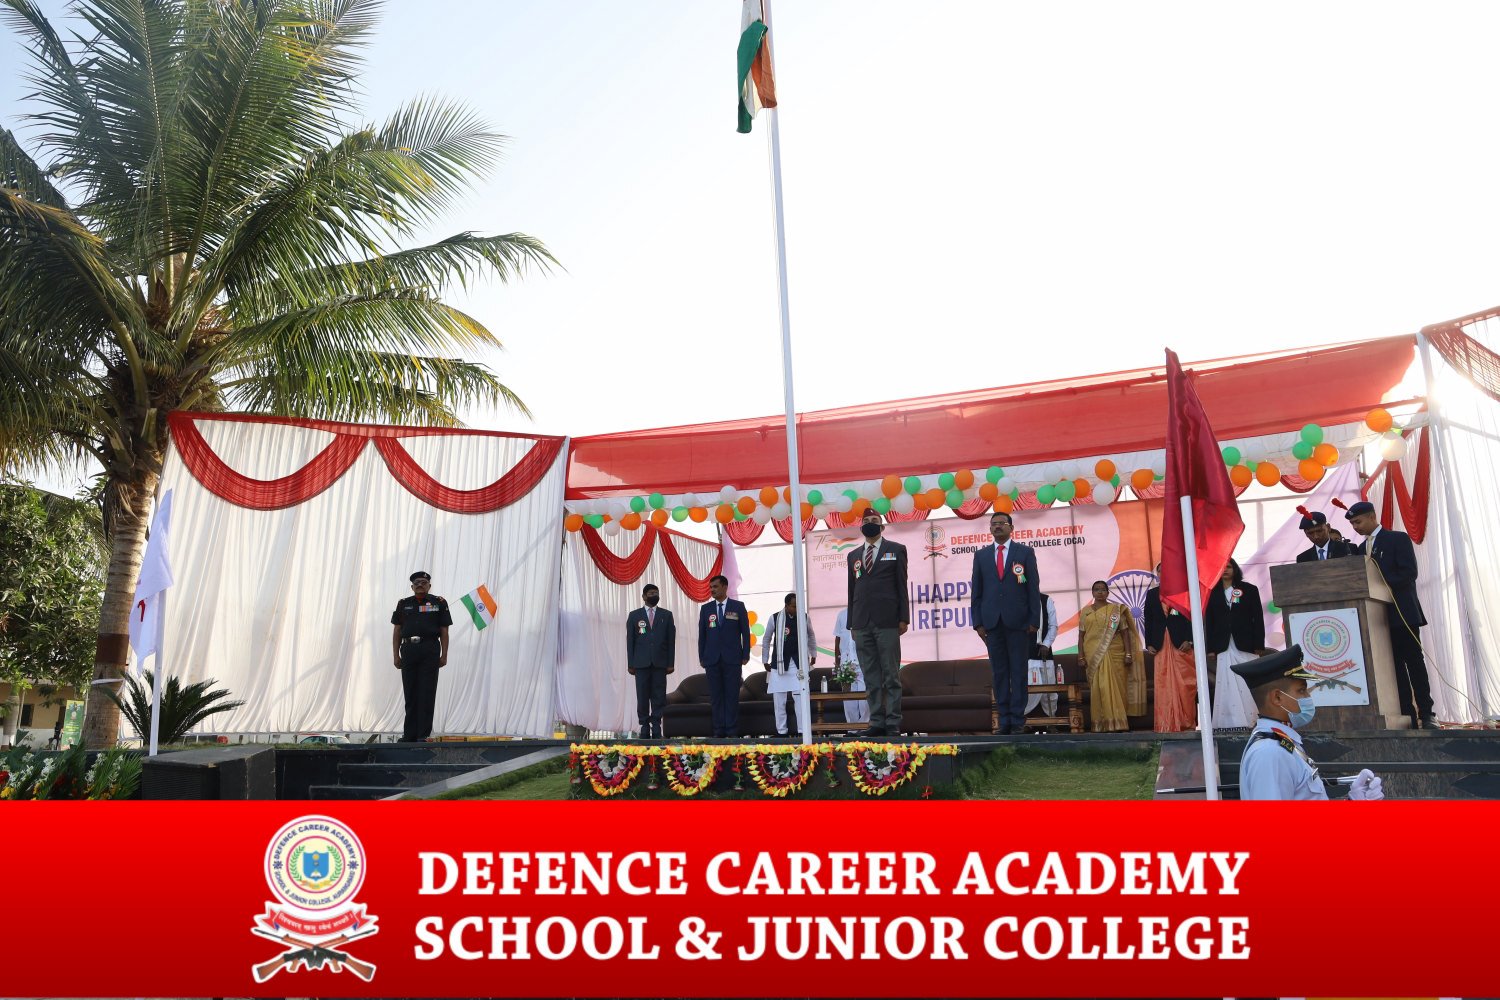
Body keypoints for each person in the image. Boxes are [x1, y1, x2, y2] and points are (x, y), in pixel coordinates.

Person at [1234, 645, 1385, 801]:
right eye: (1301, 690)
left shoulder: (1282, 743)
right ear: (1277, 698)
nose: (1308, 697)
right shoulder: (1270, 752)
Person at [1346, 499, 1439, 729]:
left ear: (1371, 516)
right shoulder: (1360, 549)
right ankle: (1406, 713)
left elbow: (1408, 573)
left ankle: (1427, 713)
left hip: (1402, 614)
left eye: (1358, 521)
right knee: (1393, 668)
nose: (1355, 527)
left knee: (1414, 663)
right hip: (1376, 619)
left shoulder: (1397, 538)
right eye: (1352, 524)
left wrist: (1378, 588)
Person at [970, 510, 1042, 735]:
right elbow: (977, 592)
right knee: (999, 672)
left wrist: (1034, 620)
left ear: (1011, 528)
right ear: (990, 529)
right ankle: (1004, 721)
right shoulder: (981, 556)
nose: (997, 527)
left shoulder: (1025, 553)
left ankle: (1018, 720)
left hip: (1019, 622)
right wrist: (978, 623)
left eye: (1002, 523)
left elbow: (1033, 589)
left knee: (1018, 672)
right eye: (993, 524)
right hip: (992, 623)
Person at [847, 509, 909, 737]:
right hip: (862, 622)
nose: (870, 524)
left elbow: (902, 586)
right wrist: (852, 623)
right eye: (866, 522)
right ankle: (876, 721)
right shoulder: (853, 555)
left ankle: (893, 722)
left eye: (874, 521)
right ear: (861, 526)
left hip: (888, 621)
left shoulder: (896, 550)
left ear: (882, 527)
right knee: (870, 676)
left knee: (891, 675)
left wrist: (904, 618)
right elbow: (851, 590)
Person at [1204, 558, 1267, 731]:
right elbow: (1209, 622)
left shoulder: (1249, 589)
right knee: (1226, 681)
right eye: (1222, 567)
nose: (1225, 570)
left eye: (1229, 567)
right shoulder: (1212, 592)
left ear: (1235, 569)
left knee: (1246, 680)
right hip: (1223, 644)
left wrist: (1259, 644)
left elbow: (1258, 618)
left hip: (1245, 642)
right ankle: (1229, 721)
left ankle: (1253, 719)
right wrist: (1210, 648)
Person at [390, 571, 451, 743]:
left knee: (427, 692)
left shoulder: (438, 602)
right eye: (416, 582)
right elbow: (397, 631)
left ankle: (423, 735)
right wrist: (396, 655)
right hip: (408, 649)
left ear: (429, 586)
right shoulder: (403, 604)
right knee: (410, 692)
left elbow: (444, 631)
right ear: (412, 586)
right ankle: (409, 735)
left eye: (424, 582)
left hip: (429, 648)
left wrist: (444, 654)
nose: (420, 585)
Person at [1078, 580, 1144, 732]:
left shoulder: (1116, 610)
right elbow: (1081, 636)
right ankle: (1100, 724)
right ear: (1092, 593)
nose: (1100, 592)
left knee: (1116, 688)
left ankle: (1118, 723)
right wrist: (1080, 656)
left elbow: (1125, 632)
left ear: (1108, 593)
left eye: (1103, 589)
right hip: (1093, 654)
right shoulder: (1086, 612)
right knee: (1099, 688)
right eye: (1096, 589)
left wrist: (1128, 653)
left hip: (1115, 652)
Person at [1143, 564, 1197, 732]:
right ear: (1157, 574)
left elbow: (1192, 617)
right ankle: (1166, 724)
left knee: (1185, 684)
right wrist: (1149, 643)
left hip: (1181, 644)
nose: (1163, 573)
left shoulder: (1183, 592)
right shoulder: (1152, 594)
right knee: (1163, 684)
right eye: (1160, 571)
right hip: (1160, 645)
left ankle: (1186, 723)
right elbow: (1149, 620)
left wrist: (1191, 640)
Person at [697, 574, 751, 738]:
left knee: (732, 696)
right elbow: (702, 635)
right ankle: (719, 731)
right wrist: (702, 656)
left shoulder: (738, 607)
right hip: (712, 659)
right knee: (716, 697)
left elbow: (745, 633)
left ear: (725, 587)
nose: (712, 590)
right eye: (711, 587)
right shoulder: (706, 609)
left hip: (733, 659)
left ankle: (732, 731)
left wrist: (745, 653)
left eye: (715, 587)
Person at [761, 593, 816, 738]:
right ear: (786, 606)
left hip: (798, 664)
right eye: (794, 606)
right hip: (779, 664)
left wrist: (813, 653)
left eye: (798, 606)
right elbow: (766, 639)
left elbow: (811, 635)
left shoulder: (804, 617)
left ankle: (802, 731)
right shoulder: (774, 618)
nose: (797, 608)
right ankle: (781, 732)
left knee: (800, 699)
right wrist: (765, 659)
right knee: (779, 700)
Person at [626, 583, 675, 740]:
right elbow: (630, 641)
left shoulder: (666, 615)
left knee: (658, 695)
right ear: (644, 597)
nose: (654, 595)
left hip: (660, 664)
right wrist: (631, 663)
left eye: (657, 592)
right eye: (651, 593)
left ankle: (657, 726)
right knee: (642, 695)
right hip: (640, 664)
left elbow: (671, 641)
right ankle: (644, 726)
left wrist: (670, 662)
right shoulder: (634, 615)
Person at [831, 606, 869, 725]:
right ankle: (852, 728)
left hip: (863, 662)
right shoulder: (842, 614)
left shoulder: (866, 612)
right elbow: (837, 639)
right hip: (846, 664)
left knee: (865, 700)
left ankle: (864, 727)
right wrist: (837, 662)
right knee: (848, 700)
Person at [1025, 592, 1061, 718]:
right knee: (1026, 689)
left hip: (1044, 651)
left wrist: (1046, 644)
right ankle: (1025, 722)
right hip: (1023, 653)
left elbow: (1053, 626)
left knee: (1049, 690)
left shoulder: (1046, 600)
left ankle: (1051, 720)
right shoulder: (1016, 599)